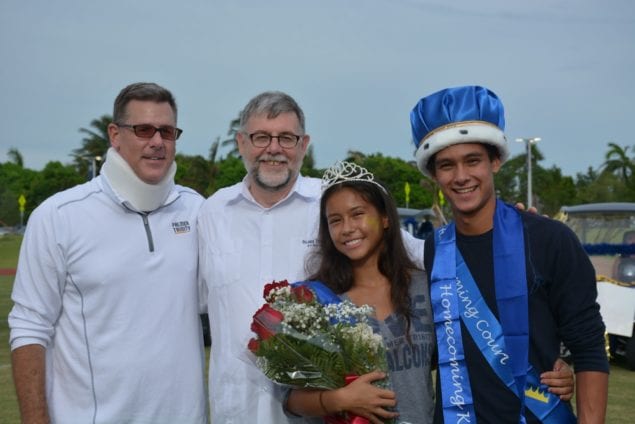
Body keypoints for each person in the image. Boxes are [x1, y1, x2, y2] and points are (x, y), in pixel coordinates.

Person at [9, 82, 208, 423]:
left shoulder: (198, 211)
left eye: (167, 131)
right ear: (115, 135)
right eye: (143, 130)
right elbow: (29, 326)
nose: (157, 142)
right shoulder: (59, 216)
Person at [410, 85, 609, 423]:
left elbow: (589, 348)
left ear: (496, 161)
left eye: (472, 161)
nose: (461, 177)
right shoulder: (431, 251)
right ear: (433, 175)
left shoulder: (551, 239)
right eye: (446, 165)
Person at [285, 161, 436, 423]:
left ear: (385, 218)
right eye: (335, 220)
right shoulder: (316, 300)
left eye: (357, 214)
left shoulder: (423, 285)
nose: (347, 228)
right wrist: (340, 399)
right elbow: (292, 400)